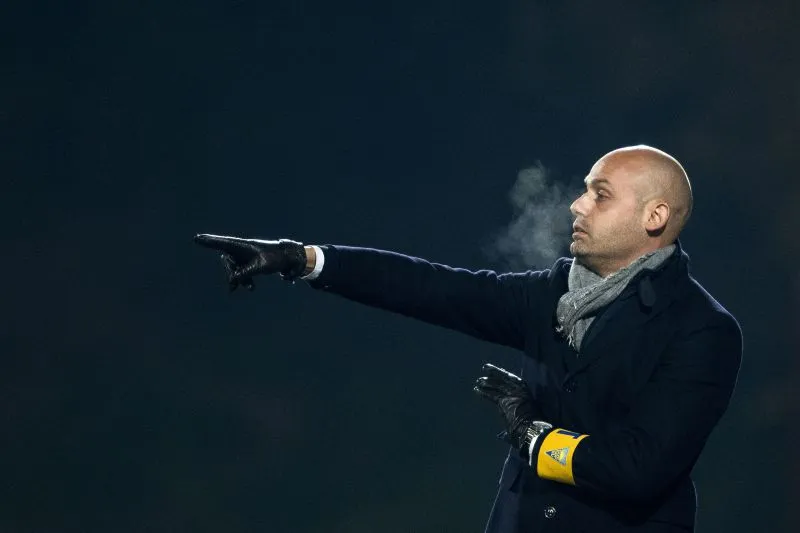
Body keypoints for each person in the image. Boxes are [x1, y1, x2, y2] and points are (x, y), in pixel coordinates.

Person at [194, 145, 742, 533]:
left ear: (655, 216)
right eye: (583, 190)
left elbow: (639, 471)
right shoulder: (550, 295)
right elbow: (432, 288)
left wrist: (533, 437)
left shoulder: (702, 330)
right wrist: (303, 258)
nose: (576, 205)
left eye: (600, 195)